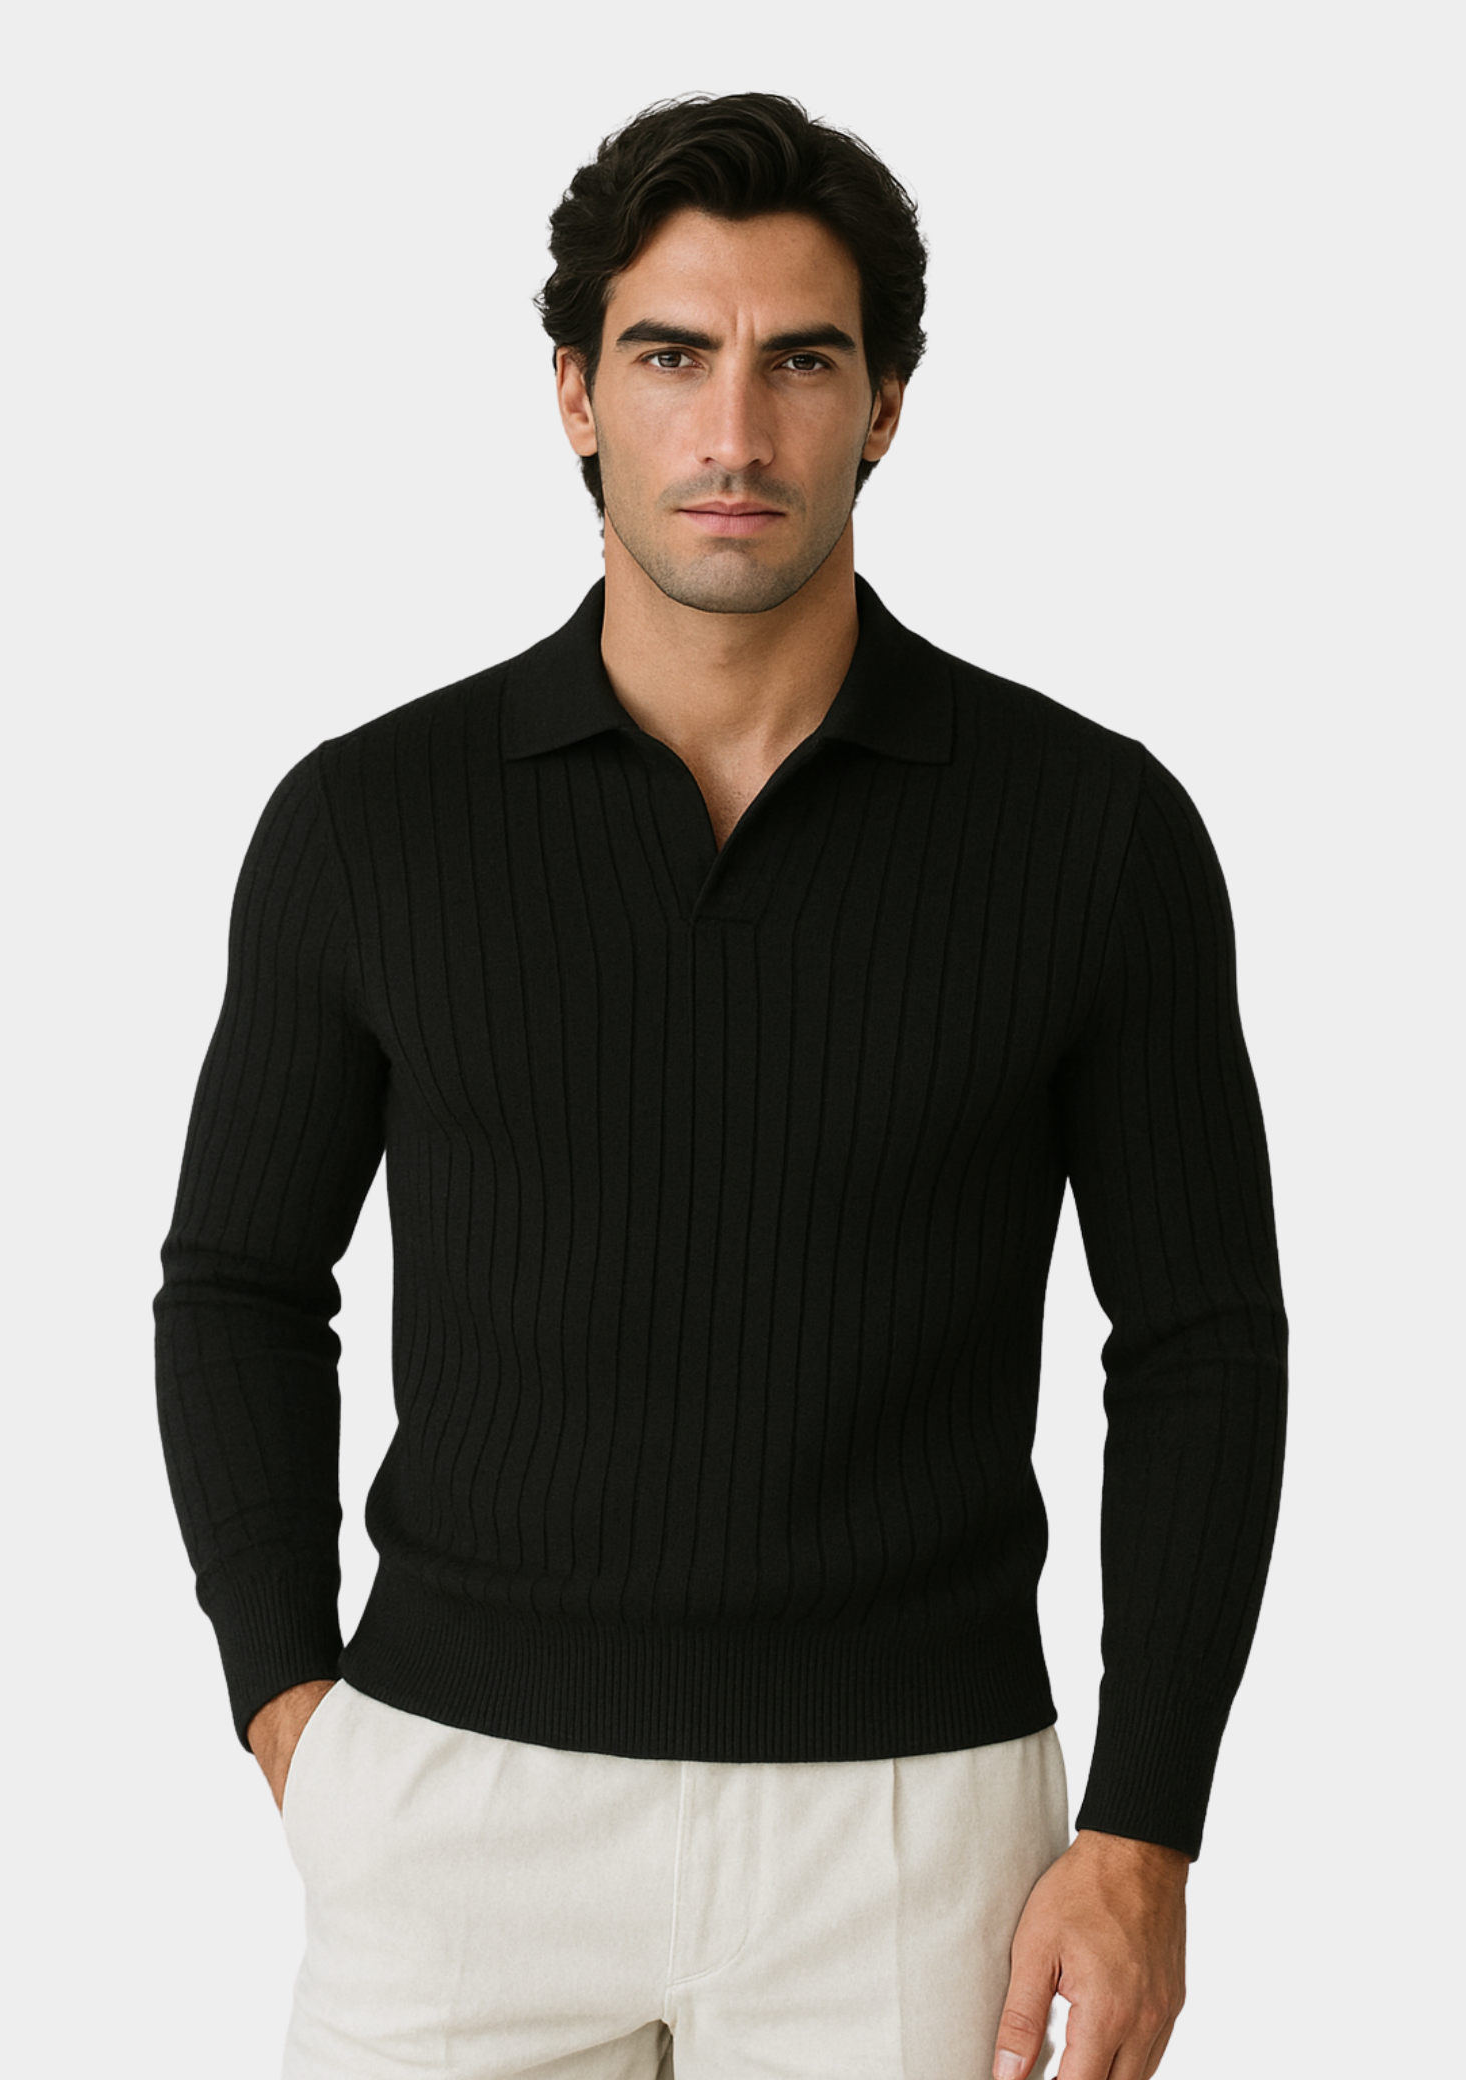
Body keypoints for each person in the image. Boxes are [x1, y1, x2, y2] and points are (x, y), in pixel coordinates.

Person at [154, 89, 1288, 2080]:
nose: (735, 432)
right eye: (673, 356)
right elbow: (238, 1283)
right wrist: (290, 1710)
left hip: (914, 1830)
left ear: (888, 404)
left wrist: (1144, 1827)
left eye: (801, 362)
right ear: (575, 393)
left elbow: (1200, 1339)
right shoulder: (370, 822)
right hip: (456, 1808)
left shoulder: (1089, 834)